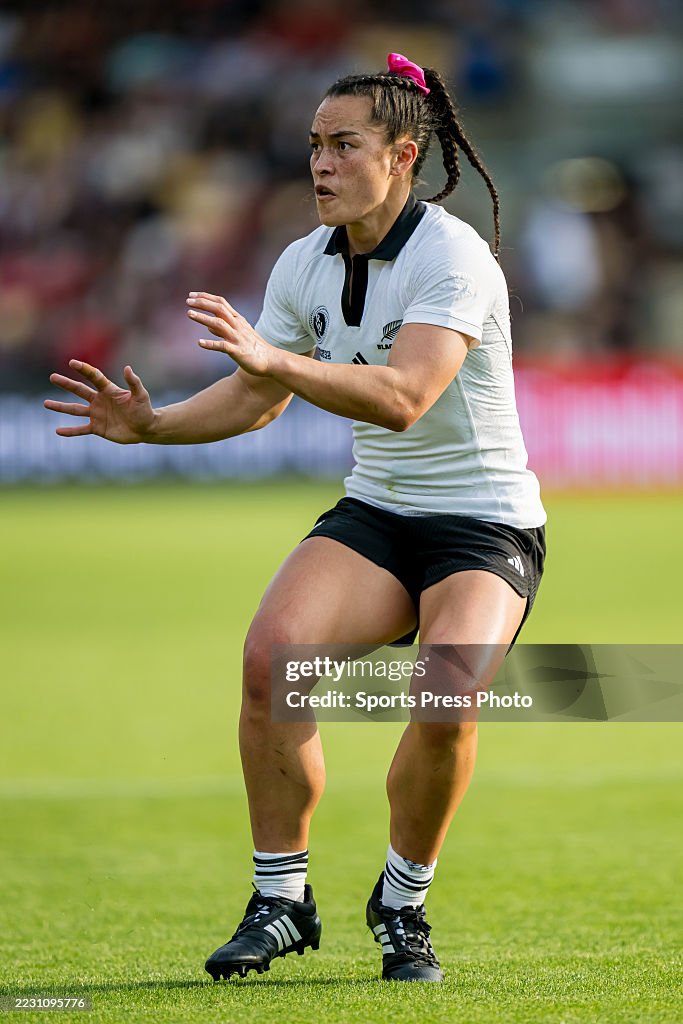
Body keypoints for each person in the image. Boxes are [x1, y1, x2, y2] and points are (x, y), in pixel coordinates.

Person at [45, 53, 546, 984]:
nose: (319, 163)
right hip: (379, 511)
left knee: (445, 699)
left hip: (482, 523)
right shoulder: (302, 259)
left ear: (400, 155)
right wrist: (152, 426)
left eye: (342, 145)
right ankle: (281, 900)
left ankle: (401, 906)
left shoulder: (452, 256)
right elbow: (253, 399)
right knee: (270, 662)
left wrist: (275, 364)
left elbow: (401, 397)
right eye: (313, 145)